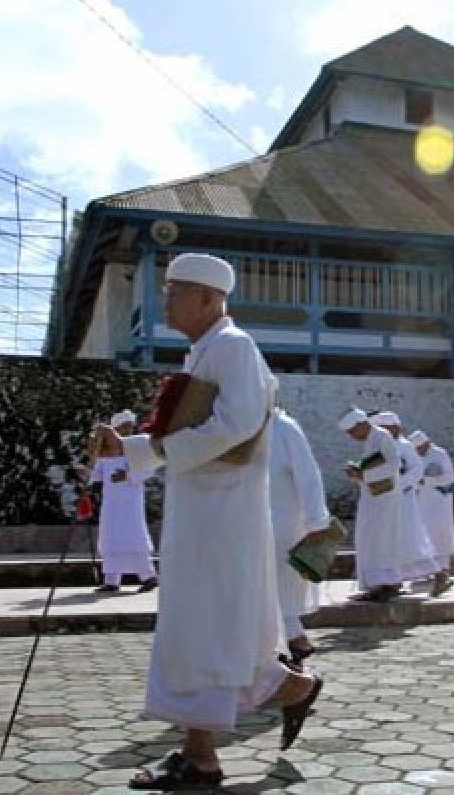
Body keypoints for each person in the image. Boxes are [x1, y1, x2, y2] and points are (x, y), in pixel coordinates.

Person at [96, 253, 321, 790]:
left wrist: (155, 450)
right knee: (208, 627)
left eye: (175, 291)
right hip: (202, 512)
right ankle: (281, 695)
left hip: (224, 517)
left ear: (208, 298)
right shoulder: (206, 351)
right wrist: (127, 447)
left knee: (205, 627)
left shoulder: (233, 347)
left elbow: (237, 423)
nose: (165, 300)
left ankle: (202, 756)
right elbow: (190, 432)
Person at [339, 408, 437, 601]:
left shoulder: (381, 436)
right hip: (375, 498)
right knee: (372, 540)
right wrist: (358, 472)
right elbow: (376, 466)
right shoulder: (373, 439)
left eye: (351, 432)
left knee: (378, 541)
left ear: (359, 425)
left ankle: (383, 585)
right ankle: (380, 584)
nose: (351, 437)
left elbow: (392, 466)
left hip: (384, 499)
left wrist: (363, 475)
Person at [270, 407, 330, 664]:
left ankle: (293, 643)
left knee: (281, 585)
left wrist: (316, 520)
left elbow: (309, 477)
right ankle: (291, 642)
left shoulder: (284, 428)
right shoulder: (240, 427)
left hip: (284, 523)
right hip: (248, 523)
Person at [87, 410, 158, 594]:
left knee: (133, 535)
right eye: (123, 427)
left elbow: (148, 469)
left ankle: (149, 577)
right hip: (111, 502)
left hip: (130, 500)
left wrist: (128, 475)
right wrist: (94, 483)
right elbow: (98, 471)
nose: (127, 430)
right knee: (110, 537)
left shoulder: (136, 447)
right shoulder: (105, 452)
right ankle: (111, 580)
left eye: (129, 427)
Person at [410, 429, 454, 596]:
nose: (419, 451)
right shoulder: (416, 457)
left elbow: (450, 477)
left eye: (420, 448)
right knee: (426, 535)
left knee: (440, 535)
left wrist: (427, 480)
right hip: (422, 502)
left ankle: (443, 570)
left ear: (426, 444)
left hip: (439, 503)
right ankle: (434, 572)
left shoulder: (440, 455)